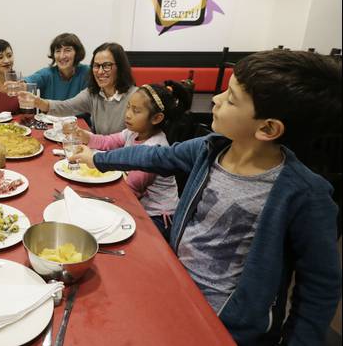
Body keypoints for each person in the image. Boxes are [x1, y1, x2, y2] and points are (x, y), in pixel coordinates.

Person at [69, 50, 342, 344]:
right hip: (175, 289)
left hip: (226, 323)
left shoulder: (305, 194)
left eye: (231, 98)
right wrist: (98, 159)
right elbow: (154, 156)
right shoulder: (210, 148)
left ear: (267, 128)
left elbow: (319, 287)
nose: (216, 99)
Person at [75, 81, 191, 241]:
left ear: (157, 118)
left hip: (157, 217)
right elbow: (108, 142)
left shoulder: (154, 148)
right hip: (137, 203)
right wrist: (86, 136)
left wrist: (93, 197)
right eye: (128, 107)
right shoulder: (133, 132)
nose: (128, 114)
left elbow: (131, 189)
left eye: (136, 111)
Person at [25, 42, 138, 134]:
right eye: (96, 66)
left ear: (120, 67)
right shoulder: (92, 94)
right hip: (98, 153)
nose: (100, 71)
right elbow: (66, 106)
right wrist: (38, 102)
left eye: (107, 66)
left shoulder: (136, 97)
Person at [23, 33, 90, 101]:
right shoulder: (47, 74)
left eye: (67, 50)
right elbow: (26, 83)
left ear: (77, 53)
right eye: (58, 51)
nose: (62, 56)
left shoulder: (87, 72)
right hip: (51, 111)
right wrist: (18, 86)